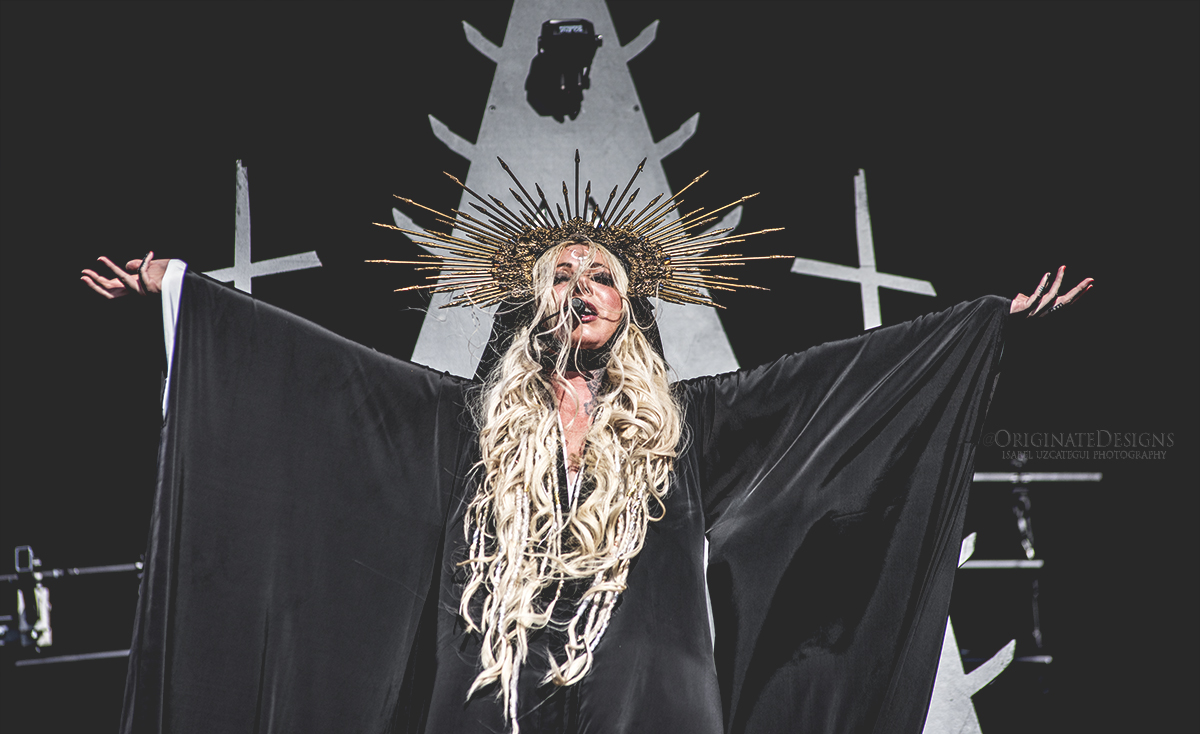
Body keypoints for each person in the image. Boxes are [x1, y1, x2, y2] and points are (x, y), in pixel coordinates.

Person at [82, 160, 1090, 734]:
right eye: (560, 277)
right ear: (534, 305)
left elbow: (836, 386)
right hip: (495, 689)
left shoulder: (690, 422)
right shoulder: (462, 423)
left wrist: (985, 327)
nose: (580, 288)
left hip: (649, 691)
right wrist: (184, 298)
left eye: (600, 274)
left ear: (628, 304)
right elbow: (323, 385)